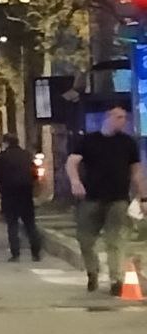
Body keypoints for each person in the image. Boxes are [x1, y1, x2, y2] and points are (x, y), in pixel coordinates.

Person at [65, 106, 145, 294]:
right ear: (108, 117)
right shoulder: (89, 140)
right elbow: (71, 162)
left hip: (118, 198)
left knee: (115, 240)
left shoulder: (128, 143)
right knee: (85, 239)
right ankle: (92, 272)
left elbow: (136, 172)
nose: (123, 121)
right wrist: (75, 182)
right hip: (91, 197)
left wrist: (143, 197)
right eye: (118, 117)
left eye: (124, 118)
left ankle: (116, 280)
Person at [0, 133, 41, 262]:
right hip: (25, 193)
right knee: (30, 224)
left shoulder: (1, 158)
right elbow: (35, 174)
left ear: (5, 143)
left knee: (12, 224)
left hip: (9, 194)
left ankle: (15, 254)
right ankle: (36, 253)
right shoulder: (27, 156)